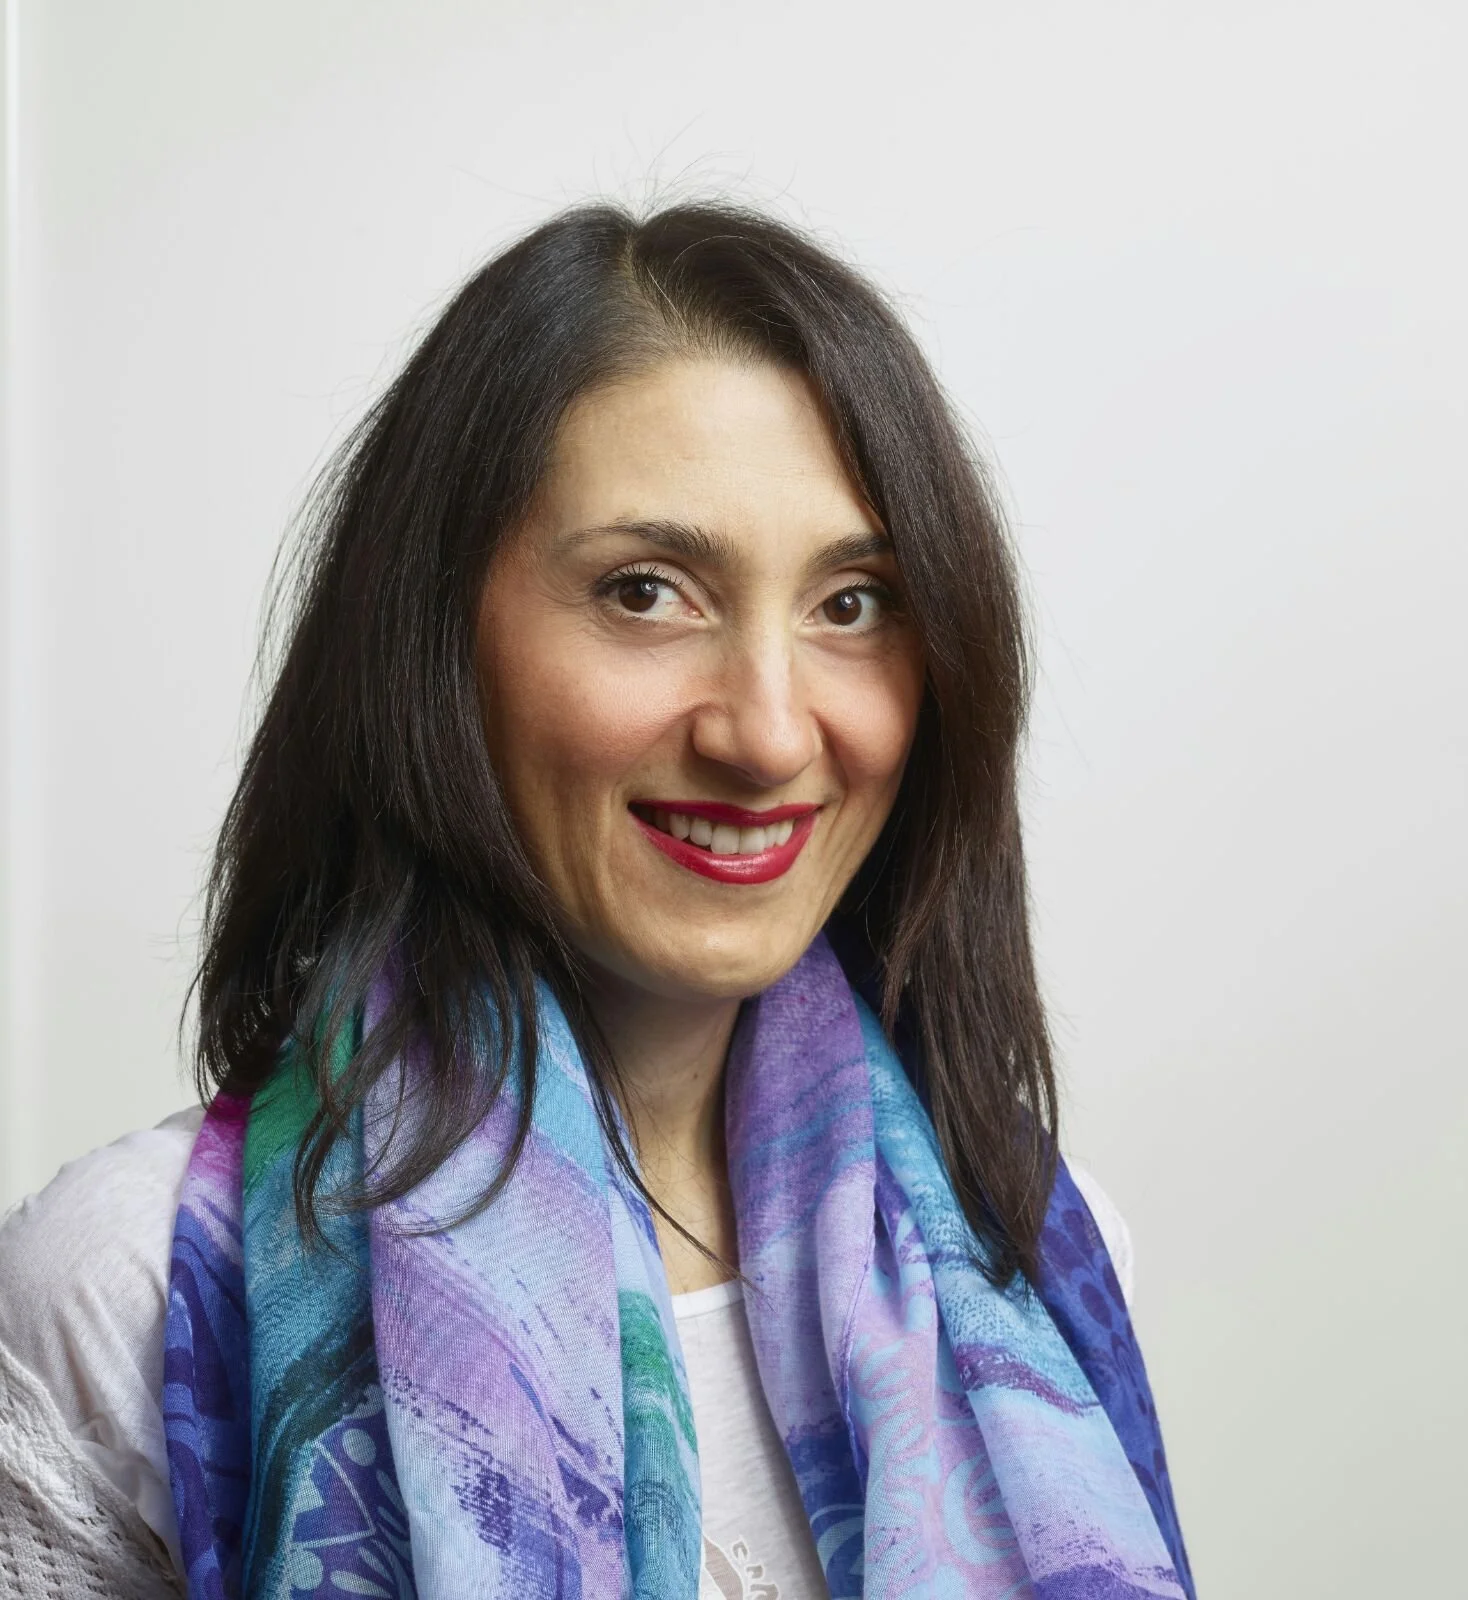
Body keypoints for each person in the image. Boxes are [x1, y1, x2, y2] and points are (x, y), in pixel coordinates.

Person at [0, 202, 1193, 1600]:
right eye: (646, 592)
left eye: (853, 603)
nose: (769, 732)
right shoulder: (125, 1296)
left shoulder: (1039, 1258)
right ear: (436, 641)